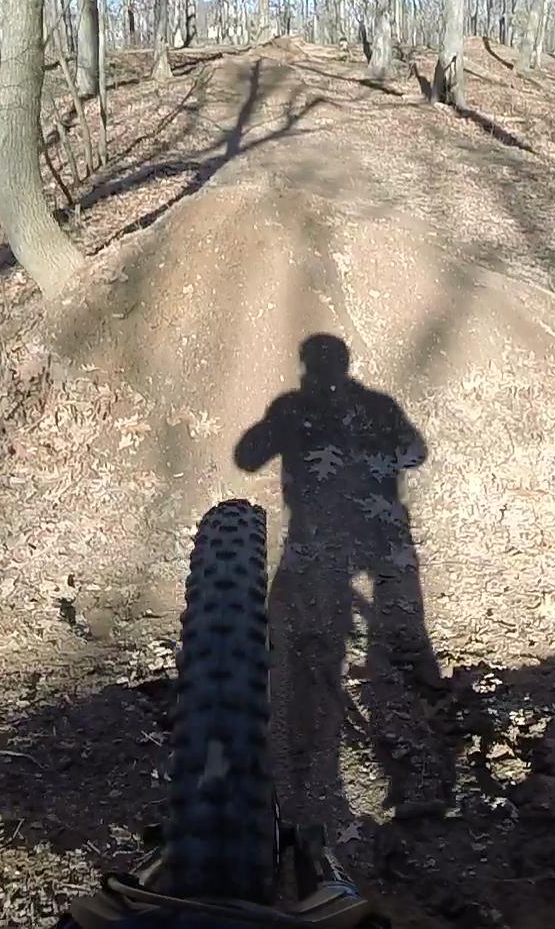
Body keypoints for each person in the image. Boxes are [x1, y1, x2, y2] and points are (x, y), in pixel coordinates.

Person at [235, 335, 444, 820]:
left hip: (318, 545)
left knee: (301, 644)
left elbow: (247, 457)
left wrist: (283, 431)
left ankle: (307, 761)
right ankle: (388, 758)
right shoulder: (378, 406)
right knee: (384, 650)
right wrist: (375, 458)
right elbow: (415, 452)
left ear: (306, 366)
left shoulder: (293, 407)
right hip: (379, 542)